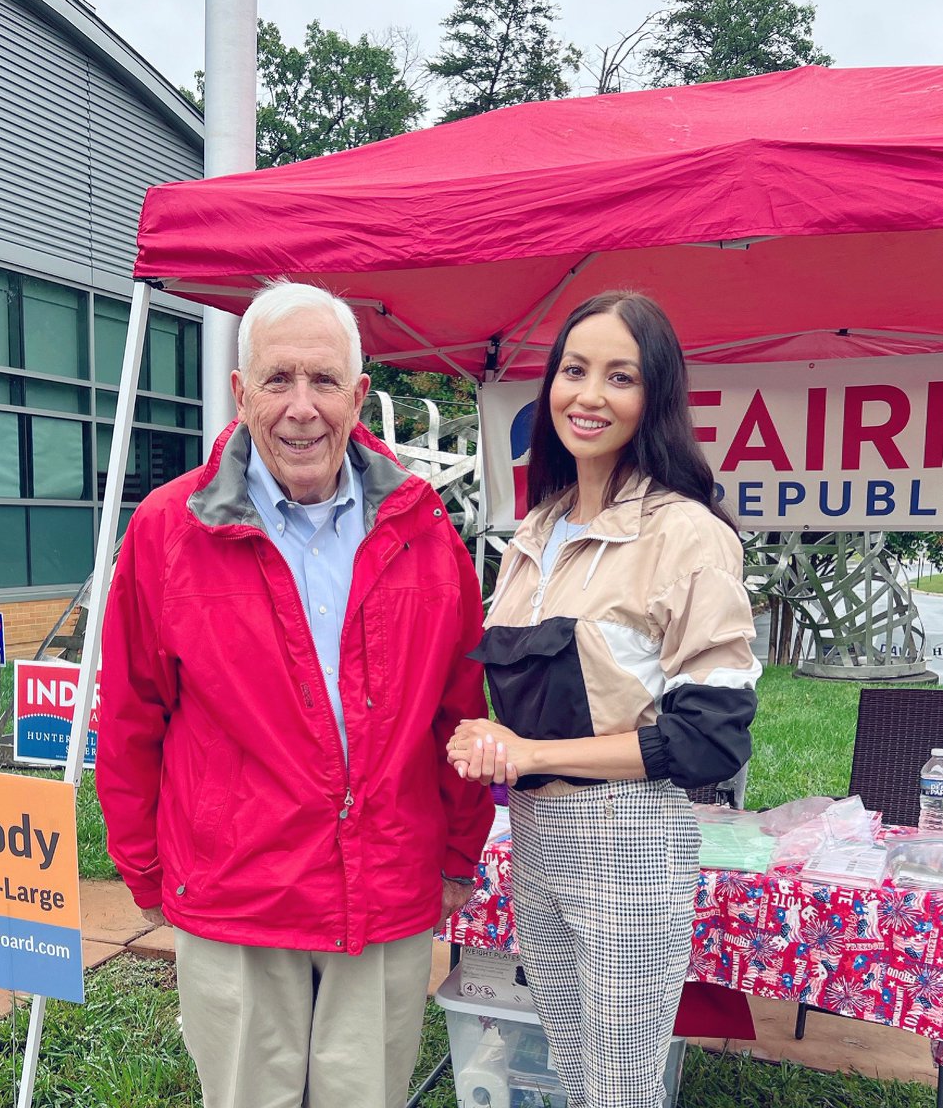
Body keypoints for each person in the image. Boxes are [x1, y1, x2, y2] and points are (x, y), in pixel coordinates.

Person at [97, 280, 493, 1108]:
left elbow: (458, 709)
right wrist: (145, 870)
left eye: (323, 381)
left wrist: (459, 852)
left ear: (358, 395)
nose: (301, 408)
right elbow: (131, 716)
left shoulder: (423, 531)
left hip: (383, 883)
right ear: (241, 392)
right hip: (238, 888)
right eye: (278, 379)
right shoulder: (168, 531)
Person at [447, 291, 761, 1108]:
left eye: (619, 377)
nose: (588, 395)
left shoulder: (685, 533)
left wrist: (530, 753)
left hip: (627, 837)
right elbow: (546, 695)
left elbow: (710, 739)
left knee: (621, 1087)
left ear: (654, 398)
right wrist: (491, 739)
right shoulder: (533, 531)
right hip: (533, 835)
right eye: (574, 371)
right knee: (569, 1069)